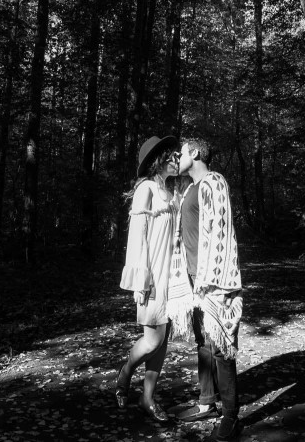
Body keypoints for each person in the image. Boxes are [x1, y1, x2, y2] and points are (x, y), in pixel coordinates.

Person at [171, 137, 243, 440]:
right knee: (203, 343)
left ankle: (231, 415)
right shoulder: (188, 188)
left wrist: (216, 281)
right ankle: (206, 403)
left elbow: (222, 234)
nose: (178, 158)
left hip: (214, 281)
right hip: (193, 280)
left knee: (222, 347)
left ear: (196, 153)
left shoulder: (214, 182)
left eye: (182, 153)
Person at [116, 135, 181, 425]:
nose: (178, 159)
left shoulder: (171, 190)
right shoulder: (146, 189)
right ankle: (125, 373)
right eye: (174, 155)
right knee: (152, 341)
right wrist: (142, 279)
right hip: (153, 276)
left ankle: (147, 398)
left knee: (162, 340)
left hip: (171, 277)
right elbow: (136, 239)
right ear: (160, 158)